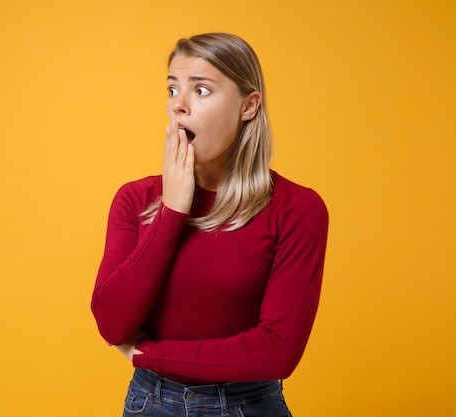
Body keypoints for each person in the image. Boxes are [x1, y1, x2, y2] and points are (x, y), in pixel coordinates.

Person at [91, 32, 328, 417]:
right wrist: (172, 212)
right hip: (149, 403)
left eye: (201, 90)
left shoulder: (297, 209)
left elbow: (277, 350)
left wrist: (150, 354)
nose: (178, 107)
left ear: (248, 106)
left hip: (247, 406)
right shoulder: (135, 201)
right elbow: (112, 323)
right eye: (172, 90)